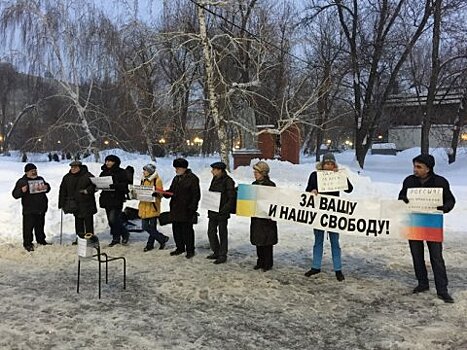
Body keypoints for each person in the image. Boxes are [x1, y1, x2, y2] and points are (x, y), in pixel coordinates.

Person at [398, 154, 456, 303]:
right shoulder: (409, 181)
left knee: (436, 257)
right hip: (414, 222)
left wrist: (445, 207)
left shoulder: (440, 182)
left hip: (432, 223)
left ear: (428, 169)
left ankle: (442, 290)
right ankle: (422, 283)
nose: (415, 169)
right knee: (416, 255)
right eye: (414, 166)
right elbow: (401, 196)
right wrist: (403, 199)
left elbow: (450, 199)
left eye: (419, 167)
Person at [304, 152, 353, 281]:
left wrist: (341, 176)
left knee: (334, 242)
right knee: (318, 241)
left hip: (333, 213)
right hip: (319, 212)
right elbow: (307, 189)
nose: (329, 166)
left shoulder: (337, 175)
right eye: (327, 163)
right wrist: (312, 191)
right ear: (322, 164)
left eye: (331, 164)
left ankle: (338, 269)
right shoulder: (315, 175)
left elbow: (349, 189)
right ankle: (316, 266)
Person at [166, 158, 200, 259]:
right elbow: (172, 191)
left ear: (183, 168)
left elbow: (196, 195)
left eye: (177, 168)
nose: (175, 170)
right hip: (175, 208)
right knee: (176, 229)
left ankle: (190, 249)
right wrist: (164, 193)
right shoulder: (176, 178)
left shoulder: (192, 178)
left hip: (186, 209)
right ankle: (179, 247)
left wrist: (192, 208)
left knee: (187, 231)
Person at [12, 163, 51, 251]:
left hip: (41, 208)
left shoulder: (40, 179)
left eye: (35, 170)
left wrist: (46, 187)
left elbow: (48, 188)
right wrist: (21, 190)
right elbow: (15, 194)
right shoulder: (22, 181)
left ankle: (41, 240)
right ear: (26, 172)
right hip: (29, 209)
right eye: (32, 171)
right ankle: (28, 243)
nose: (34, 172)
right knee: (28, 228)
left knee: (40, 226)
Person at [58, 160, 97, 244]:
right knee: (78, 222)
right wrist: (61, 203)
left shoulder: (88, 175)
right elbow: (62, 190)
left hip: (87, 203)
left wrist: (87, 191)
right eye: (72, 167)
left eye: (75, 167)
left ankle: (90, 239)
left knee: (88, 222)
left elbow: (95, 186)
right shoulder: (67, 177)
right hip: (74, 204)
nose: (73, 169)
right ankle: (80, 239)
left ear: (80, 167)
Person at [206, 161, 236, 264]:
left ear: (220, 170)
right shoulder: (215, 179)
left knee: (222, 233)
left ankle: (222, 254)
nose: (212, 171)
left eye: (214, 170)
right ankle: (216, 251)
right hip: (213, 210)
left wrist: (225, 209)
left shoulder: (228, 181)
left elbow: (231, 198)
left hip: (222, 211)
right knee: (211, 232)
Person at [250, 161, 278, 271]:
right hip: (256, 217)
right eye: (254, 171)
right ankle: (260, 261)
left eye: (257, 172)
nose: (255, 174)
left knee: (267, 242)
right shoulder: (253, 185)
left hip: (267, 219)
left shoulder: (271, 185)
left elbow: (274, 200)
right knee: (258, 241)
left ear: (264, 173)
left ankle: (268, 263)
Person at [99, 155, 130, 247]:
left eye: (110, 161)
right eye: (106, 161)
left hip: (117, 198)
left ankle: (118, 237)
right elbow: (100, 182)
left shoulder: (121, 172)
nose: (108, 163)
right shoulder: (103, 172)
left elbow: (125, 185)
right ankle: (122, 234)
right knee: (111, 220)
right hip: (106, 198)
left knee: (113, 219)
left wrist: (115, 185)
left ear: (115, 162)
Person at [138, 164, 169, 252]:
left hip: (153, 207)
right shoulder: (143, 180)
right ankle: (162, 238)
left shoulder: (157, 180)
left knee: (152, 227)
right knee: (145, 227)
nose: (143, 172)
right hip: (143, 206)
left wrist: (157, 194)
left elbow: (161, 193)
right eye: (143, 170)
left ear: (150, 172)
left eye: (145, 170)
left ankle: (149, 245)